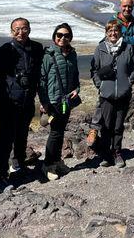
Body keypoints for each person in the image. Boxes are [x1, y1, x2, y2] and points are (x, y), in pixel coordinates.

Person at [87, 0, 134, 148]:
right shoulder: (113, 20)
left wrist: (125, 38)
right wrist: (130, 37)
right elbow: (110, 38)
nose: (127, 8)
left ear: (133, 7)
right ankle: (95, 127)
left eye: (130, 6)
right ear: (119, 6)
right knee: (104, 93)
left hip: (131, 59)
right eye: (124, 6)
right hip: (113, 59)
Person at [0, 17, 44, 192]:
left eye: (24, 28)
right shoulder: (4, 50)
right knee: (6, 139)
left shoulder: (37, 48)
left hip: (28, 101)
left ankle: (18, 166)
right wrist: (6, 94)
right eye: (16, 29)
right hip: (8, 103)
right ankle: (0, 176)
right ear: (11, 31)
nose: (20, 32)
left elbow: (41, 74)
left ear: (30, 29)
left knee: (22, 136)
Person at [90, 19, 134, 168]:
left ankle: (117, 152)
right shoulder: (100, 49)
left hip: (123, 95)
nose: (113, 33)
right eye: (110, 30)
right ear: (106, 33)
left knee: (118, 126)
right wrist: (100, 85)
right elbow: (94, 70)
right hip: (106, 95)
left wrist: (128, 83)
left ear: (120, 32)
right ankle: (106, 154)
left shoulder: (128, 47)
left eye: (116, 30)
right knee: (106, 126)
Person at [38, 23, 80, 180]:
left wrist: (77, 89)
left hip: (66, 101)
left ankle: (56, 161)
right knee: (55, 133)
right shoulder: (48, 55)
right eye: (59, 35)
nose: (63, 38)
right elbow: (41, 81)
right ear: (54, 36)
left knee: (61, 132)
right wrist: (44, 103)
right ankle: (47, 165)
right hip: (52, 101)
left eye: (66, 35)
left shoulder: (72, 55)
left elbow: (75, 76)